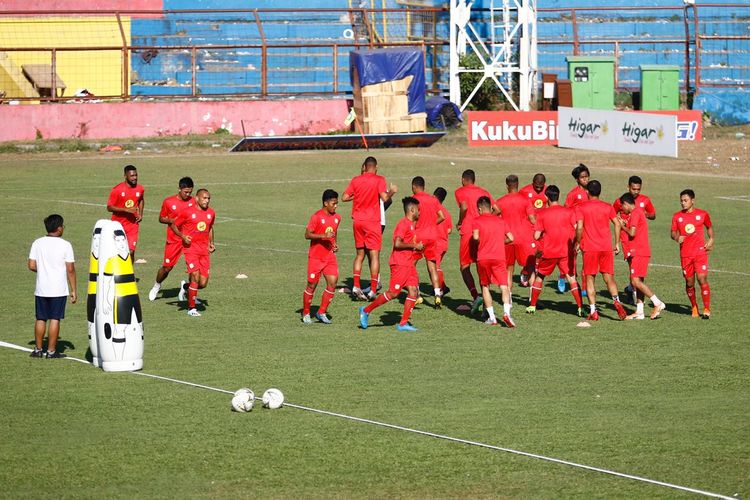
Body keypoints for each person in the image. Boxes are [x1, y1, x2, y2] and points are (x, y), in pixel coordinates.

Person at [359, 197, 424, 332]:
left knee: (413, 291)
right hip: (399, 264)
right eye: (418, 210)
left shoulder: (412, 225)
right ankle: (366, 310)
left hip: (409, 264)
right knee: (393, 293)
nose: (420, 212)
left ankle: (403, 323)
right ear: (412, 210)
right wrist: (414, 245)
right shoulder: (403, 224)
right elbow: (397, 243)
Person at [342, 156, 397, 301]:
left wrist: (356, 197)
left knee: (359, 255)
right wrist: (392, 191)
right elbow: (385, 199)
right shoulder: (379, 179)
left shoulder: (356, 180)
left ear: (365, 167)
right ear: (376, 167)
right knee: (374, 256)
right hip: (372, 222)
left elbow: (344, 197)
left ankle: (355, 286)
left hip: (358, 222)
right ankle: (373, 290)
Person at [526, 185, 584, 316]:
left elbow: (536, 236)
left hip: (549, 252)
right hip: (566, 251)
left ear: (546, 197)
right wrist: (577, 243)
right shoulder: (569, 212)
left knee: (540, 276)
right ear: (558, 196)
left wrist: (541, 234)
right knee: (572, 278)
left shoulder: (542, 214)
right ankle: (580, 307)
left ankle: (532, 305)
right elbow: (577, 228)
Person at [575, 180, 628, 321]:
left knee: (590, 278)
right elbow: (617, 223)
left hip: (590, 248)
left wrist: (578, 242)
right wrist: (617, 243)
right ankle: (616, 301)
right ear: (600, 191)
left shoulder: (581, 207)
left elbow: (579, 227)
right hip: (606, 247)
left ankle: (593, 311)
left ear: (587, 192)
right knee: (608, 277)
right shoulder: (607, 206)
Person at [28, 214, 77, 358]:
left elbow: (31, 265)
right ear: (59, 228)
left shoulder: (37, 243)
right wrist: (74, 289)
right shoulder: (65, 245)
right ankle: (51, 351)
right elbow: (70, 269)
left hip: (41, 288)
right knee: (55, 318)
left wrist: (43, 270)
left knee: (40, 318)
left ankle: (38, 350)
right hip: (58, 289)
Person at [617, 193, 666, 320]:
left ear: (626, 204)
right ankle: (639, 311)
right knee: (638, 281)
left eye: (622, 206)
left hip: (639, 251)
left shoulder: (634, 213)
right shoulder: (638, 212)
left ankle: (657, 303)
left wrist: (622, 226)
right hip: (641, 251)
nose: (622, 209)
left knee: (635, 281)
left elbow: (632, 233)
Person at [171, 189, 216, 317]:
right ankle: (191, 308)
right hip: (191, 250)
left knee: (203, 283)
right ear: (197, 198)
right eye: (204, 198)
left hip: (204, 251)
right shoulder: (187, 212)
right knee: (195, 276)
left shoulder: (211, 213)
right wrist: (182, 236)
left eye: (208, 198)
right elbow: (174, 225)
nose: (206, 201)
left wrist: (211, 243)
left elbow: (210, 227)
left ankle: (185, 287)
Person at [148, 177, 195, 301]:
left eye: (190, 192)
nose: (188, 194)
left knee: (194, 268)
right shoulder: (169, 202)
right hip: (174, 239)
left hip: (189, 240)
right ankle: (157, 285)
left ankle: (191, 293)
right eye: (185, 192)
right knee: (167, 267)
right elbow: (161, 218)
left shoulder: (194, 202)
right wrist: (172, 220)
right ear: (179, 189)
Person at [472, 196, 515, 327]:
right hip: (499, 257)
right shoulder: (500, 220)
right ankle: (507, 313)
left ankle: (492, 318)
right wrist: (500, 242)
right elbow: (511, 238)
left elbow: (475, 237)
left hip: (483, 257)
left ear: (479, 209)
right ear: (491, 208)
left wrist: (484, 241)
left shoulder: (477, 220)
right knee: (504, 286)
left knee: (485, 286)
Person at [671, 189, 714, 319]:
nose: (683, 203)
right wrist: (677, 238)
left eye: (685, 200)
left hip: (700, 253)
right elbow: (672, 233)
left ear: (692, 200)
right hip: (685, 255)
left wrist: (711, 239)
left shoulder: (702, 214)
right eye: (681, 201)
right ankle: (694, 307)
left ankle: (706, 308)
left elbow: (709, 227)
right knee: (689, 283)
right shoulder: (677, 216)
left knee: (702, 279)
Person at [612, 175, 656, 304]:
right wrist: (620, 227)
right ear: (628, 187)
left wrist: (645, 214)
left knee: (636, 272)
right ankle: (635, 296)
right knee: (633, 268)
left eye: (638, 189)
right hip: (626, 238)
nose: (636, 191)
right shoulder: (621, 201)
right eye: (633, 189)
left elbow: (653, 215)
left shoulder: (645, 200)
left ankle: (632, 290)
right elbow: (613, 216)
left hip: (638, 238)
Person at [454, 169, 493, 312]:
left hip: (468, 232)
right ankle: (486, 303)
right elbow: (493, 209)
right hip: (483, 232)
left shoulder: (459, 191)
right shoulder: (484, 192)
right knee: (481, 265)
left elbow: (464, 207)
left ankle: (476, 296)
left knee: (464, 266)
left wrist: (459, 221)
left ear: (464, 180)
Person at [302, 189, 341, 324]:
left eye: (337, 203)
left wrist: (335, 244)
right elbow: (307, 234)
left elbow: (334, 233)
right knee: (312, 285)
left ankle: (321, 312)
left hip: (329, 257)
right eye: (333, 203)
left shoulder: (337, 218)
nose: (335, 206)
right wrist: (323, 236)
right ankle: (306, 313)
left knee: (333, 282)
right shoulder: (316, 217)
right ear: (325, 203)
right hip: (316, 257)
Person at [496, 174, 537, 290]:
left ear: (507, 186)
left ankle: (508, 300)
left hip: (508, 239)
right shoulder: (526, 201)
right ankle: (532, 300)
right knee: (530, 268)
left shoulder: (500, 201)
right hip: (524, 239)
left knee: (509, 269)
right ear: (518, 185)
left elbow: (494, 217)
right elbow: (532, 219)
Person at [411, 176, 446, 307]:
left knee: (411, 265)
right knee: (432, 268)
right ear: (424, 186)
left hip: (419, 237)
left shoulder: (414, 200)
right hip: (432, 236)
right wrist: (431, 225)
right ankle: (437, 295)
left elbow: (412, 219)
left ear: (414, 187)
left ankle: (417, 294)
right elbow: (442, 217)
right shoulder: (433, 199)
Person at [559, 163, 591, 293]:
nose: (586, 180)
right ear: (577, 179)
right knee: (572, 256)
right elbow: (566, 210)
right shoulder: (573, 194)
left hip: (587, 229)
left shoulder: (592, 191)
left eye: (587, 177)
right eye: (583, 177)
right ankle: (562, 275)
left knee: (586, 257)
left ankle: (583, 285)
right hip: (574, 228)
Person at [107, 164, 144, 261]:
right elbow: (109, 207)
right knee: (117, 251)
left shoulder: (140, 188)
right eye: (132, 176)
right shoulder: (117, 190)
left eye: (136, 175)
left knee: (131, 251)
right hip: (117, 224)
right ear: (125, 176)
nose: (134, 178)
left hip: (132, 225)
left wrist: (140, 213)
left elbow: (141, 199)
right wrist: (125, 210)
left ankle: (129, 274)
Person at [433, 187, 453, 297]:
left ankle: (440, 290)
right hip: (444, 243)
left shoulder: (433, 209)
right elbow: (449, 230)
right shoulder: (446, 212)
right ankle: (443, 287)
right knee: (435, 266)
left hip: (437, 244)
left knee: (436, 267)